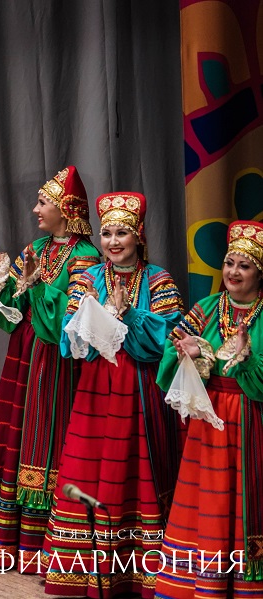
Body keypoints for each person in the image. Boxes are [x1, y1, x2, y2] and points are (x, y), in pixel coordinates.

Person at [41, 193, 184, 597]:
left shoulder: (158, 280)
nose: (113, 241)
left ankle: (139, 568)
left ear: (138, 235)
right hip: (96, 388)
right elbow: (69, 338)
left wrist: (129, 315)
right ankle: (85, 566)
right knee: (91, 464)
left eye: (122, 232)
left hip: (139, 388)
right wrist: (93, 318)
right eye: (107, 233)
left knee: (134, 467)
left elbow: (170, 336)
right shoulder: (87, 278)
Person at [0, 166, 101, 570]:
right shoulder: (37, 248)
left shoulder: (85, 257)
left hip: (57, 359)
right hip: (25, 351)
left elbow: (70, 319)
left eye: (43, 203)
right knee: (17, 429)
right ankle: (9, 539)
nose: (35, 209)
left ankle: (47, 540)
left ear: (66, 209)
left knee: (48, 435)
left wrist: (35, 285)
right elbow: (14, 312)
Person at [153, 220, 263, 598]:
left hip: (251, 419)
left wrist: (247, 359)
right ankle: (203, 583)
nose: (233, 272)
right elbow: (173, 349)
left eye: (244, 266)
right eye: (229, 263)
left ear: (259, 273)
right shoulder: (207, 308)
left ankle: (246, 584)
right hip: (210, 420)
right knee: (209, 497)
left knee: (248, 498)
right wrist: (190, 353)